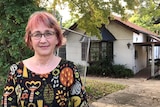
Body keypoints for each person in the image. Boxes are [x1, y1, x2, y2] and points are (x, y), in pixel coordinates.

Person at [1, 11, 88, 107]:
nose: (43, 40)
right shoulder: (17, 71)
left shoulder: (69, 69)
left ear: (57, 38)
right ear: (30, 40)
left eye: (48, 33)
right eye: (37, 34)